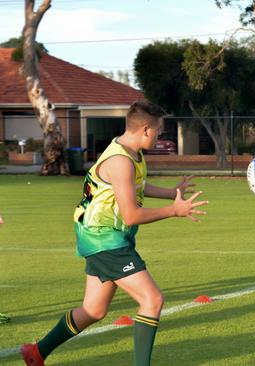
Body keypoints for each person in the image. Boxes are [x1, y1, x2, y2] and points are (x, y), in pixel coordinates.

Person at [20, 100, 208, 366]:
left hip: (104, 237)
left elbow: (136, 186)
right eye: (158, 131)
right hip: (104, 239)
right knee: (152, 299)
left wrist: (172, 193)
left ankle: (36, 352)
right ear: (145, 130)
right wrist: (173, 210)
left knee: (93, 310)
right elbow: (131, 214)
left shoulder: (132, 153)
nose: (159, 136)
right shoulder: (121, 161)